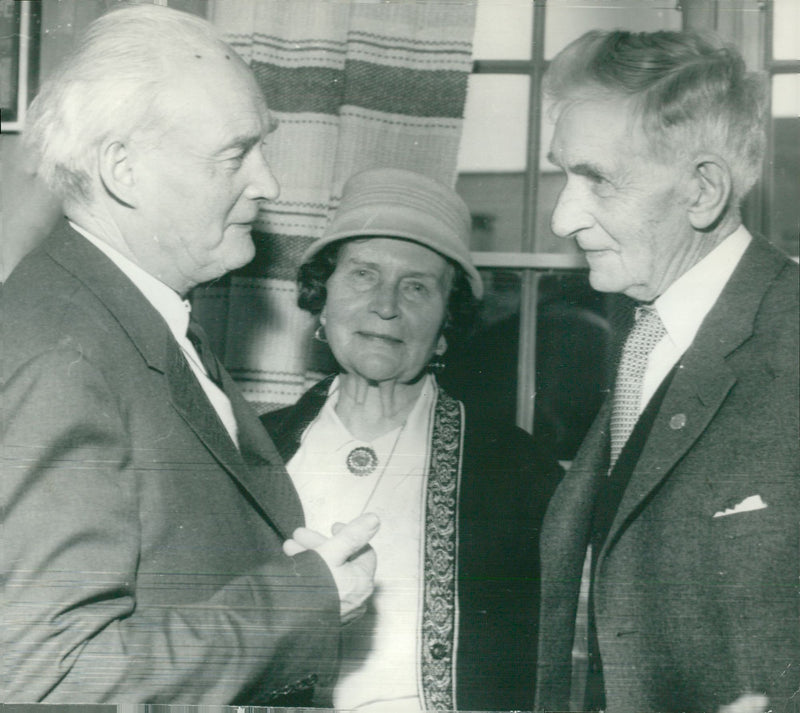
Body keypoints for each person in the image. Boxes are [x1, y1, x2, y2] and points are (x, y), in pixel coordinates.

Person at [0, 5, 379, 704]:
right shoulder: (63, 355)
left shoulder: (133, 315)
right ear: (124, 170)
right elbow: (50, 677)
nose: (268, 184)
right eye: (235, 155)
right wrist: (306, 597)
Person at [535, 29, 799, 713]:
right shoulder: (646, 338)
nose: (562, 218)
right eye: (563, 175)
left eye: (597, 179)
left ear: (702, 190)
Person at [261, 167, 560, 711]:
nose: (386, 305)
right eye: (363, 275)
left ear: (446, 325)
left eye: (417, 287)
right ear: (321, 299)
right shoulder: (254, 448)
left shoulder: (515, 469)